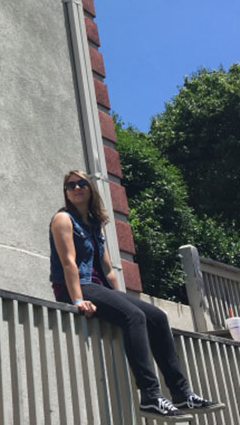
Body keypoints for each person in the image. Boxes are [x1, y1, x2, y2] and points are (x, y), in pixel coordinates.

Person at [49, 170, 224, 421]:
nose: (76, 188)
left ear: (90, 189)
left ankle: (181, 393)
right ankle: (151, 396)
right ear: (66, 192)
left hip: (98, 286)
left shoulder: (95, 224)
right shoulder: (63, 219)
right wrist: (77, 299)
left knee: (156, 316)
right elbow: (68, 263)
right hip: (75, 286)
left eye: (81, 184)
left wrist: (117, 298)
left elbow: (108, 269)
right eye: (70, 185)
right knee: (134, 316)